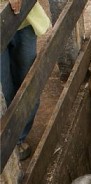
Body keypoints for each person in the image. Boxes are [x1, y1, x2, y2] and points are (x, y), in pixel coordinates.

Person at [0, 0, 51, 160]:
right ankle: (9, 142)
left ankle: (18, 137)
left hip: (23, 17)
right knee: (4, 90)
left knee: (28, 83)